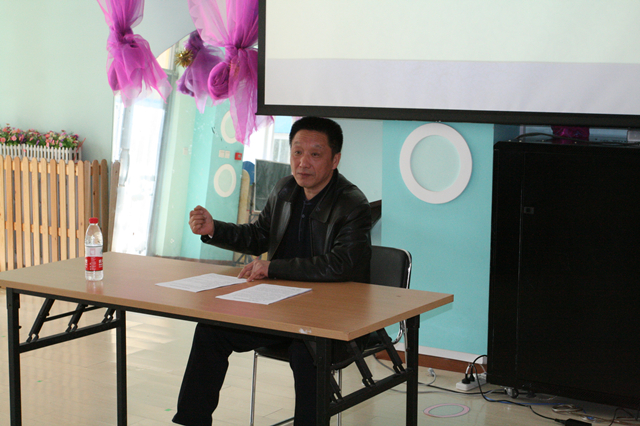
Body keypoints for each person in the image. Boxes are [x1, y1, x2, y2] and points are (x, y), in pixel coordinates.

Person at [172, 116, 372, 426]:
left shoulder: (352, 203)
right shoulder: (284, 189)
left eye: (315, 154)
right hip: (280, 310)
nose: (303, 162)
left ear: (335, 160)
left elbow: (341, 264)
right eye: (297, 152)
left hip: (331, 320)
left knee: (307, 353)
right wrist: (215, 229)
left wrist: (273, 267)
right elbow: (258, 236)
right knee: (211, 330)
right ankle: (191, 421)